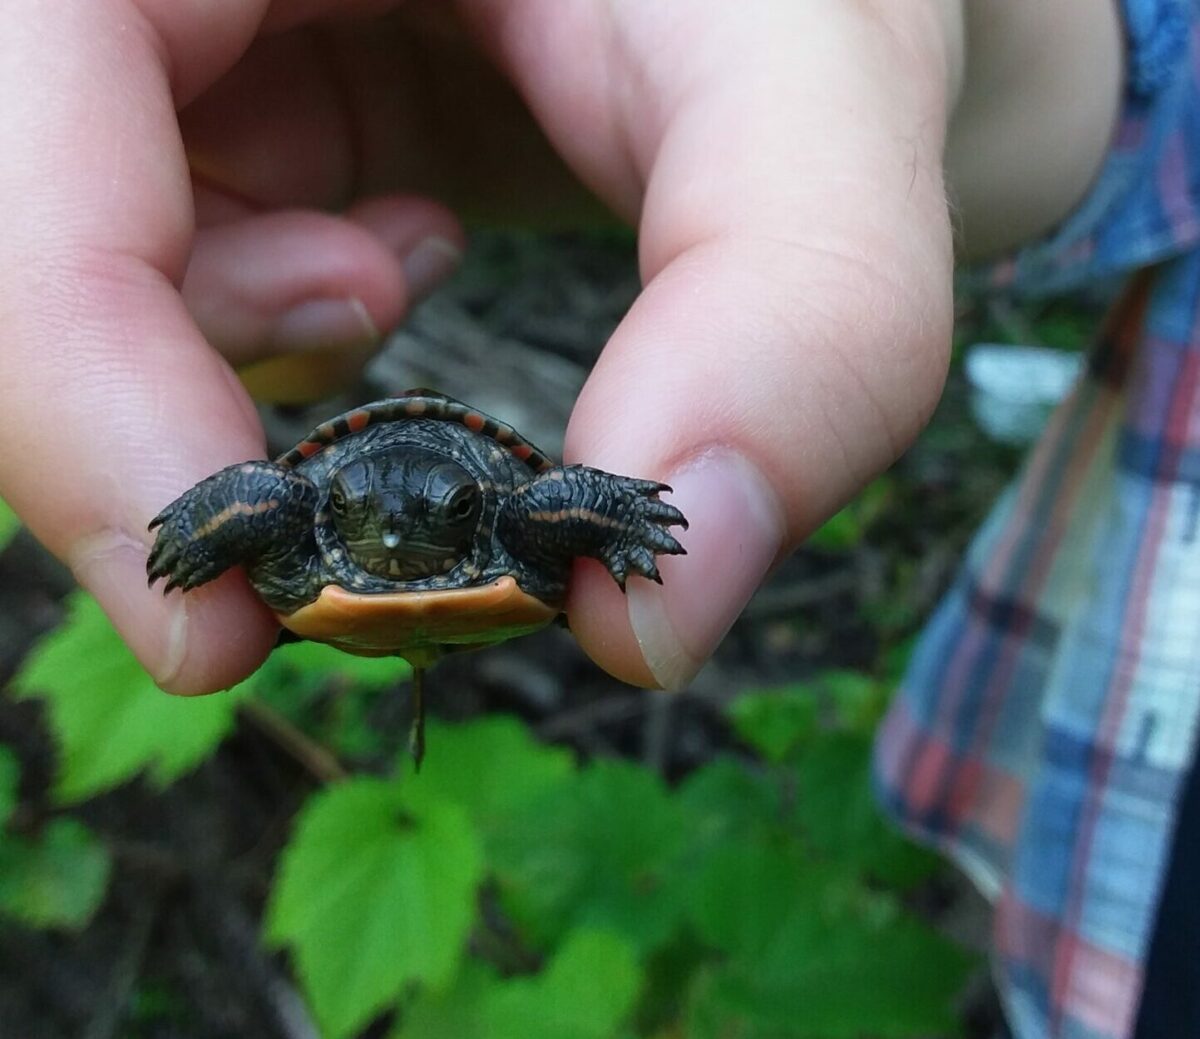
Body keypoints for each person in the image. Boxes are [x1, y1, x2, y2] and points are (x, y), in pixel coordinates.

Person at [0, 1, 1185, 1036]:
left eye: (451, 512)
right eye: (362, 513)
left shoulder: (510, 521)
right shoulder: (304, 517)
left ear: (479, 507)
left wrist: (624, 518)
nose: (402, 528)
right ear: (335, 510)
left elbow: (565, 497)